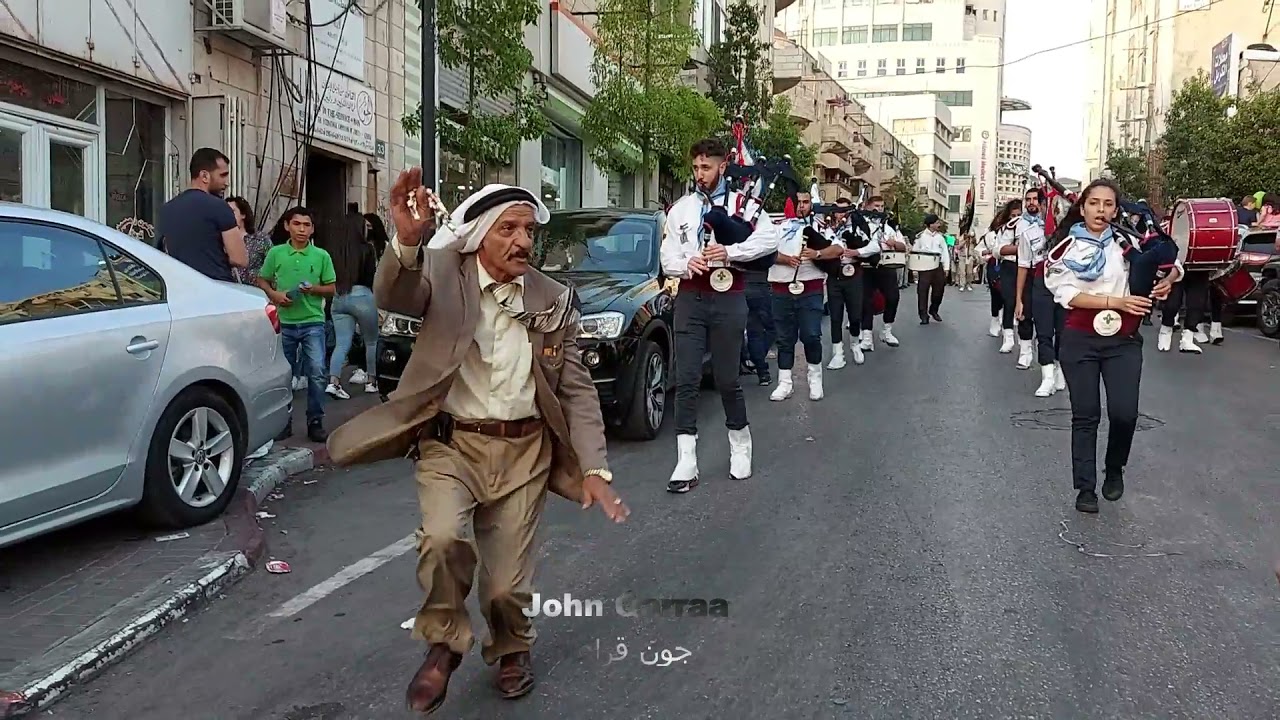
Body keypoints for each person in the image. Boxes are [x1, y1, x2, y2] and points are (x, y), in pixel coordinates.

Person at [327, 173, 628, 714]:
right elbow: (396, 293)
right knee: (442, 539)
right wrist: (407, 240)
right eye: (508, 229)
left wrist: (594, 469)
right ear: (480, 235)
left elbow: (577, 389)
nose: (523, 241)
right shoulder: (444, 273)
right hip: (452, 446)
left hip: (525, 454)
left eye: (529, 230)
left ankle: (512, 648)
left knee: (505, 586)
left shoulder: (552, 299)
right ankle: (444, 642)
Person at [1042, 178, 1182, 513]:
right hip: (1080, 338)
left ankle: (1115, 466)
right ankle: (1085, 488)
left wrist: (1167, 280)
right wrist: (1114, 302)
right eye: (1094, 203)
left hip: (1124, 340)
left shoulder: (1130, 242)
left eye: (1108, 204)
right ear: (1082, 208)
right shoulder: (1065, 248)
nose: (1100, 210)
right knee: (1085, 414)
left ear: (1116, 210)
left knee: (1124, 413)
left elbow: (1174, 265)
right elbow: (1064, 292)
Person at [660, 138, 778, 493]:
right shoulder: (680, 209)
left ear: (723, 166)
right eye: (696, 167)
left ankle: (740, 444)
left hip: (729, 294)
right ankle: (686, 460)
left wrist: (731, 251)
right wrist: (686, 263)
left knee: (727, 378)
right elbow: (667, 255)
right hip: (691, 297)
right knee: (687, 378)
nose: (700, 174)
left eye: (706, 167)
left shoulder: (744, 205)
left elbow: (769, 241)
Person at [256, 207, 336, 443]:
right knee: (283, 375)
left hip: (313, 322)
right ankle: (283, 421)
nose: (302, 229)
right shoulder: (276, 253)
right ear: (287, 226)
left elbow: (331, 288)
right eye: (297, 224)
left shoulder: (321, 256)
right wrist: (275, 295)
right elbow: (262, 279)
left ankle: (315, 420)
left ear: (312, 229)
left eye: (306, 225)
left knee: (317, 372)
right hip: (284, 322)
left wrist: (313, 289)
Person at [768, 190, 842, 401]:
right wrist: (786, 259)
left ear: (811, 204)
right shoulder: (776, 227)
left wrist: (817, 253)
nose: (801, 205)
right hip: (781, 287)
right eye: (798, 202)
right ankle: (785, 383)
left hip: (810, 288)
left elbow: (838, 249)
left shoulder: (819, 227)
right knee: (784, 338)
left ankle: (815, 378)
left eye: (806, 202)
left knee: (811, 335)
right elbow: (765, 251)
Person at [156, 148, 247, 281]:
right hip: (215, 284)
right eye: (222, 175)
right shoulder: (219, 206)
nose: (227, 183)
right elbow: (239, 259)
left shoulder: (166, 209)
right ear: (204, 176)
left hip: (179, 284)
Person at [1014, 187, 1066, 397]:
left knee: (1063, 331)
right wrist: (1019, 299)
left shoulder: (1068, 231)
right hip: (1040, 282)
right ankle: (1047, 377)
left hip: (1064, 283)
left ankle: (1059, 368)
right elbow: (1023, 265)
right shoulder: (1027, 232)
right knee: (1044, 331)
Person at [323, 216, 381, 398]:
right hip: (363, 295)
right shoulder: (367, 249)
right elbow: (371, 277)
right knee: (371, 341)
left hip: (339, 296)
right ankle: (371, 382)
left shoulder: (335, 252)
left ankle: (334, 382)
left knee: (341, 343)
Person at [825, 197, 874, 369]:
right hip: (834, 275)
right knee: (835, 316)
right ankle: (837, 353)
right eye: (838, 211)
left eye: (844, 211)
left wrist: (857, 251)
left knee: (855, 315)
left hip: (854, 273)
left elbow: (873, 246)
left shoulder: (858, 226)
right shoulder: (827, 227)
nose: (841, 214)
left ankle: (855, 344)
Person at [858, 196, 906, 350]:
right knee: (866, 301)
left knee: (893, 297)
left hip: (886, 264)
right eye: (876, 205)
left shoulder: (889, 225)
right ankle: (866, 336)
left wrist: (894, 243)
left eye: (882, 206)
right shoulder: (859, 223)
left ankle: (887, 330)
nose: (879, 209)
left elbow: (903, 246)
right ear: (867, 206)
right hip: (866, 265)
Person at [978, 199, 1024, 351]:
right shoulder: (1000, 232)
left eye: (1019, 215)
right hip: (1005, 266)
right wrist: (990, 253)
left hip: (1025, 267)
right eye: (1013, 215)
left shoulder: (1031, 228)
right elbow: (996, 250)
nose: (1016, 218)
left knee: (1024, 302)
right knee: (1006, 299)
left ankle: (1024, 340)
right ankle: (1007, 335)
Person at [741, 263, 776, 386]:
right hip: (760, 283)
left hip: (738, 282)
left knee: (748, 331)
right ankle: (760, 367)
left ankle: (757, 368)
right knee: (768, 328)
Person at [913, 214, 950, 324]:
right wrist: (915, 269)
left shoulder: (941, 237)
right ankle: (923, 315)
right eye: (937, 222)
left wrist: (946, 267)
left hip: (937, 265)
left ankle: (934, 310)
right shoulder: (920, 237)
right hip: (924, 265)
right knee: (922, 291)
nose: (939, 224)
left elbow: (945, 252)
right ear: (931, 224)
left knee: (939, 291)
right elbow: (915, 252)